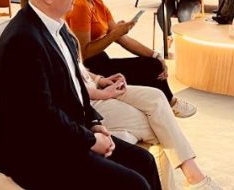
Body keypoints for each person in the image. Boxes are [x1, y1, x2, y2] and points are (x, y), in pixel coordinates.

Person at [0, 0, 162, 190]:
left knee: (145, 161)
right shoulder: (23, 39)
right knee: (135, 185)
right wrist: (90, 140)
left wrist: (93, 123)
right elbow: (40, 116)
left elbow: (75, 88)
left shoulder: (58, 28)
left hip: (68, 135)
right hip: (38, 152)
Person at [66, 0, 196, 117]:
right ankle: (170, 103)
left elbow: (124, 40)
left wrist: (155, 55)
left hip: (102, 60)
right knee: (151, 69)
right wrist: (115, 34)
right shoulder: (80, 5)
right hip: (90, 68)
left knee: (153, 64)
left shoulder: (98, 5)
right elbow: (83, 53)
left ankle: (166, 105)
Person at [86, 71, 222, 190]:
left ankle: (194, 178)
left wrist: (99, 79)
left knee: (157, 97)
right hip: (87, 100)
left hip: (92, 86)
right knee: (159, 124)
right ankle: (195, 178)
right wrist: (102, 93)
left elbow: (78, 66)